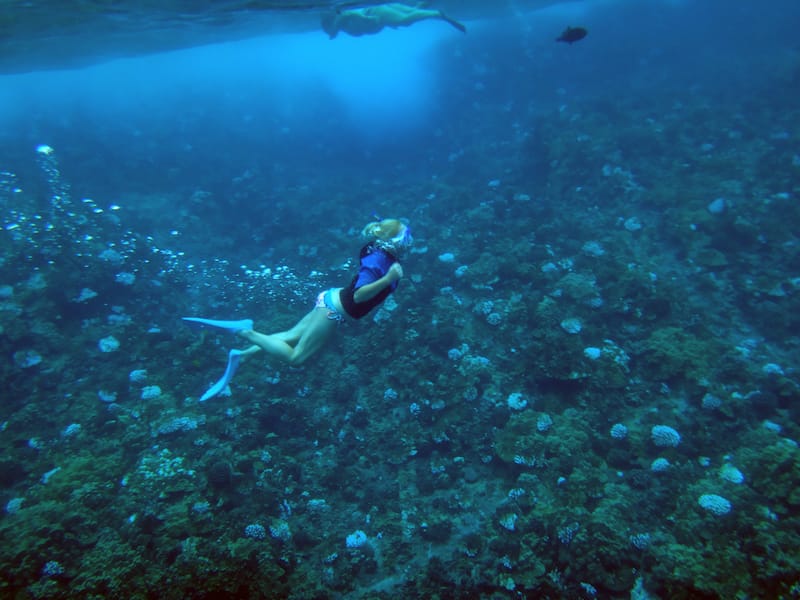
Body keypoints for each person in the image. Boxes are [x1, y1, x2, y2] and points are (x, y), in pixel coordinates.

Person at [183, 218, 412, 401]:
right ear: (393, 240)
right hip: (334, 310)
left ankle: (241, 355)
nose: (409, 241)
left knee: (290, 336)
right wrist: (388, 278)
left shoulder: (379, 252)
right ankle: (245, 332)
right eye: (406, 236)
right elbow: (360, 294)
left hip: (330, 299)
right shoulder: (379, 260)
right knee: (296, 358)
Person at [321, 3, 466, 39]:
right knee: (411, 13)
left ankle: (436, 13)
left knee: (404, 20)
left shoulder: (340, 22)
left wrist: (366, 18)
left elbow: (346, 14)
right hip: (382, 15)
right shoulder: (346, 28)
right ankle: (424, 6)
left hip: (376, 12)